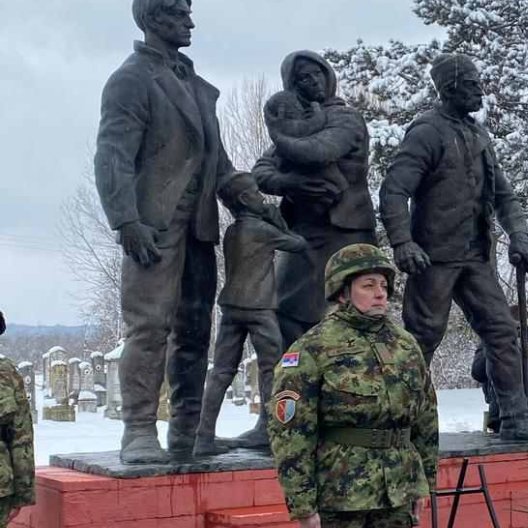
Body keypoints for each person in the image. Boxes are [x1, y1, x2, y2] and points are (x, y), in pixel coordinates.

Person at [94, 0, 274, 463]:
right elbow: (112, 155)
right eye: (178, 12)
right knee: (149, 327)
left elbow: (220, 166)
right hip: (153, 225)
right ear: (153, 18)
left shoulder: (197, 87)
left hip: (199, 226)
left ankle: (188, 433)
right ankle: (138, 431)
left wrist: (254, 201)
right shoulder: (132, 79)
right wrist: (125, 220)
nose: (190, 21)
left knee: (194, 331)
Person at [268, 244, 439, 528]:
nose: (380, 293)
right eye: (368, 285)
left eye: (384, 286)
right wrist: (303, 508)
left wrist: (424, 484)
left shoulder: (405, 346)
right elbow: (290, 434)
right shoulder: (312, 349)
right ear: (343, 292)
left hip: (397, 491)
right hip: (339, 495)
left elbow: (426, 419)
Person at [379, 52, 528, 442]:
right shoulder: (427, 131)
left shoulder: (479, 135)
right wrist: (402, 242)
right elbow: (394, 190)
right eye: (472, 84)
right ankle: (401, 420)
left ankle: (515, 416)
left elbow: (504, 196)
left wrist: (520, 237)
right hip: (433, 258)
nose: (480, 91)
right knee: (422, 337)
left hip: (475, 258)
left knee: (502, 331)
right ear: (449, 87)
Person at [253, 50, 377, 350]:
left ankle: (351, 372)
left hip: (347, 230)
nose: (312, 81)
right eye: (302, 79)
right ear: (293, 86)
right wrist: (290, 182)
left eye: (316, 74)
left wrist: (279, 133)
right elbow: (261, 172)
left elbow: (320, 150)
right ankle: (296, 374)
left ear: (327, 75)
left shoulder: (345, 118)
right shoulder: (298, 125)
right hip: (306, 232)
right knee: (287, 308)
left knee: (351, 307)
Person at [194, 173, 307, 455]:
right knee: (273, 368)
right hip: (259, 309)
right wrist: (276, 217)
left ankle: (203, 435)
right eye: (257, 193)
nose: (262, 198)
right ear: (245, 199)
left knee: (221, 371)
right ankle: (270, 430)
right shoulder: (262, 230)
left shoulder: (232, 232)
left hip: (231, 307)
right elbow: (298, 244)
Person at [471, 306, 528, 431]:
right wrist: (495, 348)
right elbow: (477, 373)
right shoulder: (491, 344)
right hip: (501, 419)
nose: (516, 334)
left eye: (520, 328)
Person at [263, 89, 349, 214]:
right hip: (315, 194)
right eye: (294, 108)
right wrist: (317, 110)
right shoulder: (289, 129)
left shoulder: (344, 116)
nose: (298, 110)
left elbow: (318, 151)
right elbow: (313, 126)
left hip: (334, 203)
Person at [0, 311, 35, 528]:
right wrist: (22, 494)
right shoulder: (8, 374)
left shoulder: (7, 374)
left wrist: (23, 492)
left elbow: (20, 435)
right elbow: (21, 437)